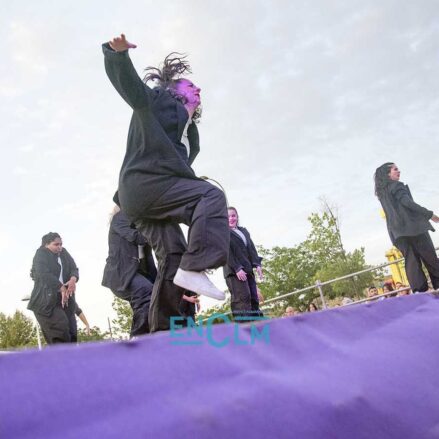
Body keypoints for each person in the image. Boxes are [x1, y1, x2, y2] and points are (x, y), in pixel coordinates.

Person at [102, 34, 229, 332]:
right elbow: (132, 90)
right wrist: (116, 55)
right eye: (188, 84)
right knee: (210, 197)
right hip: (144, 187)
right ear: (173, 90)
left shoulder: (190, 137)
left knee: (173, 253)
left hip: (147, 202)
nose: (196, 87)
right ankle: (195, 267)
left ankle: (161, 332)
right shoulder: (156, 102)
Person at [374, 163, 439, 293]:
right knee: (430, 258)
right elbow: (407, 203)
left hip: (397, 232)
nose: (399, 171)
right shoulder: (397, 186)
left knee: (411, 262)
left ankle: (420, 292)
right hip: (414, 228)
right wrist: (430, 214)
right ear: (388, 173)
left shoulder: (382, 194)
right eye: (395, 169)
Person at [102, 207, 157, 337]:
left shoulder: (143, 226)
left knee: (155, 297)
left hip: (139, 274)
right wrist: (157, 230)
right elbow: (135, 237)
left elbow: (150, 263)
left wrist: (161, 286)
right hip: (121, 275)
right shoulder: (120, 217)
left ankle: (152, 338)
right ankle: (137, 340)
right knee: (146, 291)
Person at [28, 233, 79, 344]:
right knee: (60, 332)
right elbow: (43, 274)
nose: (59, 247)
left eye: (61, 244)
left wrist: (73, 279)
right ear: (46, 245)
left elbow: (74, 268)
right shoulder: (41, 254)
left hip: (65, 301)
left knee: (72, 333)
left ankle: (72, 359)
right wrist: (60, 287)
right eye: (56, 244)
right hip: (46, 302)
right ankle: (58, 359)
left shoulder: (64, 253)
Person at [223, 206, 263, 320]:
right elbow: (226, 252)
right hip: (234, 272)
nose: (231, 218)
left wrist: (257, 264)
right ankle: (245, 330)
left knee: (254, 298)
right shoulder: (223, 233)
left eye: (233, 216)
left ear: (237, 217)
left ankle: (258, 327)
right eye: (228, 216)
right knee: (242, 299)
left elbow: (251, 249)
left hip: (248, 270)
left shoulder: (244, 231)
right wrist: (237, 268)